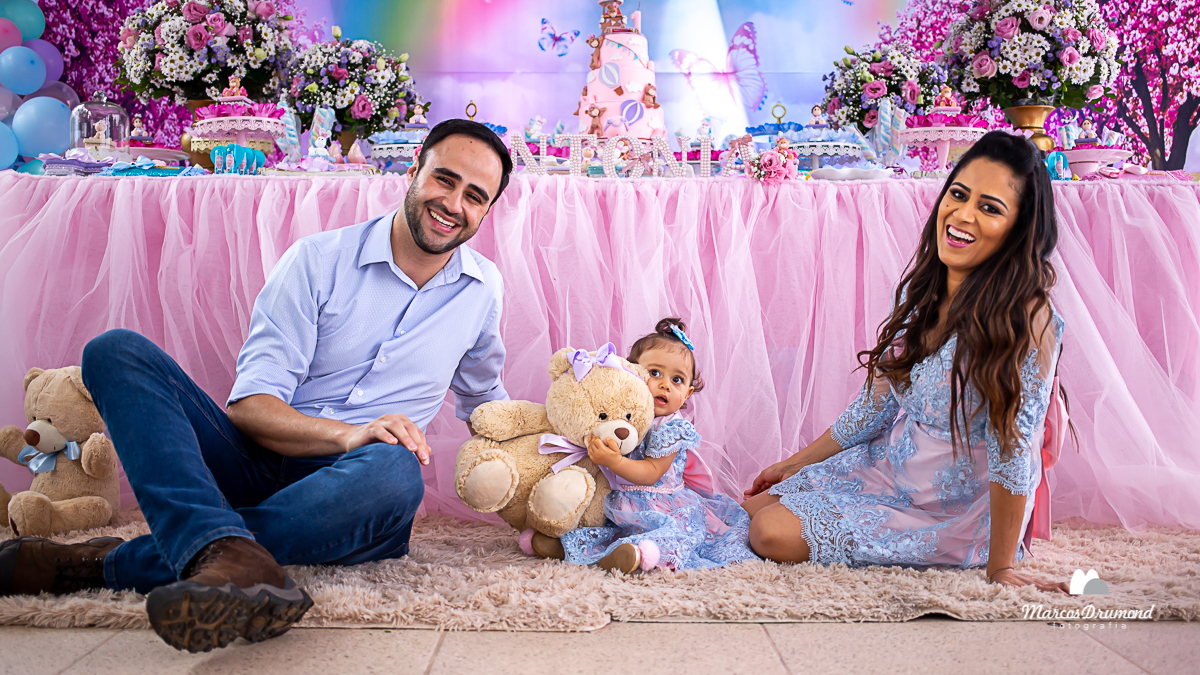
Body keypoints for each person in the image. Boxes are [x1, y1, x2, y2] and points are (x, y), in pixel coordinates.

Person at [0, 119, 516, 650]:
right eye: (444, 180)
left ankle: (138, 559)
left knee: (397, 467)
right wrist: (348, 433)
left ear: (486, 211)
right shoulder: (318, 260)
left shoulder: (483, 290)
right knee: (113, 351)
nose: (453, 203)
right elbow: (250, 409)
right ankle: (226, 554)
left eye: (474, 196)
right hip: (256, 463)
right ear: (413, 172)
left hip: (360, 492)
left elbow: (486, 404)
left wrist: (552, 465)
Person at [742, 131, 1071, 593]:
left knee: (769, 532)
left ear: (1020, 229)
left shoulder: (1027, 319)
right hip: (887, 472)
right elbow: (874, 408)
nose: (962, 215)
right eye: (958, 195)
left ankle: (967, 549)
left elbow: (1015, 446)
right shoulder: (933, 291)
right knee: (753, 507)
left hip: (948, 510)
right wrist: (794, 464)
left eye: (990, 208)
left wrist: (1000, 568)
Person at [559, 319, 759, 573]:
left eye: (677, 379)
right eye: (654, 373)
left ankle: (637, 554)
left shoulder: (671, 428)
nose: (665, 384)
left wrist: (614, 461)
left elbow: (653, 472)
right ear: (632, 375)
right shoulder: (625, 415)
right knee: (595, 528)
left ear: (686, 394)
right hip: (620, 500)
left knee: (671, 534)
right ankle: (565, 546)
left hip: (660, 503)